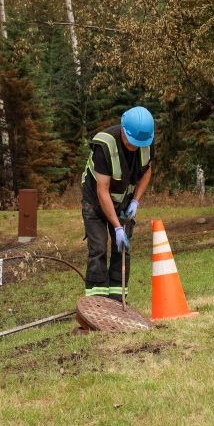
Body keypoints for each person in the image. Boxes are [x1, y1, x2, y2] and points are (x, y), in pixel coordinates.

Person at [80, 106, 155, 301]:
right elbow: (102, 190)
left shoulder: (145, 141)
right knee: (99, 247)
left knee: (122, 249)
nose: (134, 146)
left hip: (124, 201)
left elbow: (147, 171)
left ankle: (117, 298)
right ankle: (96, 300)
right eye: (131, 142)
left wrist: (136, 201)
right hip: (96, 201)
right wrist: (116, 227)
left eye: (139, 143)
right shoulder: (104, 145)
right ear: (123, 130)